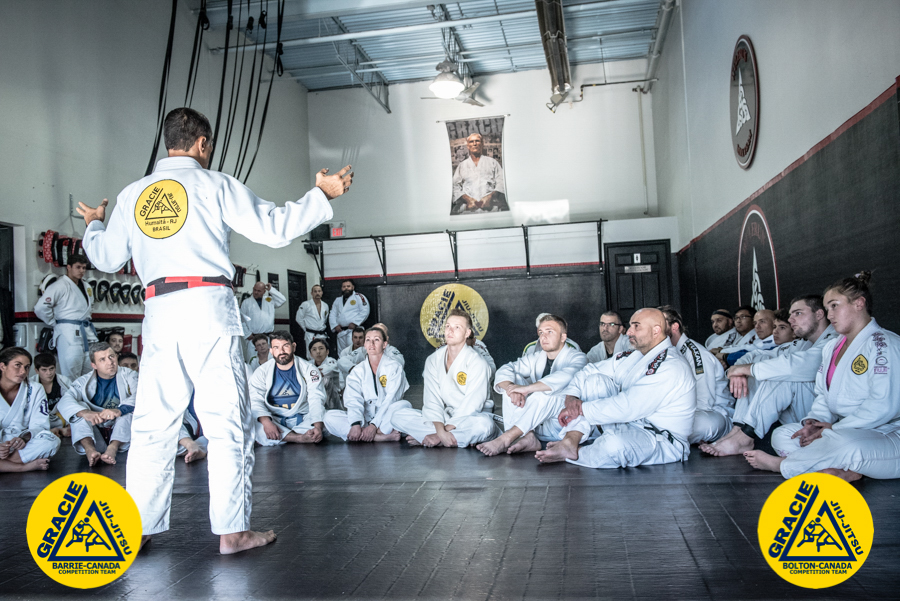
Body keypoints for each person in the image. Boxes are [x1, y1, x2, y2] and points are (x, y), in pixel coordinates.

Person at [78, 106, 352, 554]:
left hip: (159, 311)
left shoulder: (133, 195)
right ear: (202, 143)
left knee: (152, 426)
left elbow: (106, 258)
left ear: (168, 141)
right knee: (226, 422)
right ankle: (232, 531)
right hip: (207, 307)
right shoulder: (213, 184)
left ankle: (138, 527)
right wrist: (321, 195)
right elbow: (273, 228)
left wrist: (93, 222)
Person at [745, 272, 900, 482]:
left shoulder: (885, 344)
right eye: (827, 309)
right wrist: (815, 423)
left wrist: (833, 429)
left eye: (835, 306)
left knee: (845, 443)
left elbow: (883, 406)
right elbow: (823, 395)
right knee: (785, 435)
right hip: (841, 429)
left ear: (859, 303)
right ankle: (845, 471)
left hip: (887, 434)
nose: (830, 314)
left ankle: (783, 465)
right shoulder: (832, 347)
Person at [534, 308, 696, 468]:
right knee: (594, 382)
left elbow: (629, 406)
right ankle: (570, 441)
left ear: (656, 330)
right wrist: (572, 397)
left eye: (636, 326)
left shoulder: (671, 365)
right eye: (630, 326)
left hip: (661, 438)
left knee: (614, 445)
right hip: (629, 423)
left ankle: (578, 451)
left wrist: (581, 409)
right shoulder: (635, 355)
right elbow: (589, 370)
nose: (629, 332)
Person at [700, 295, 836, 457]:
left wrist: (746, 369)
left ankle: (746, 437)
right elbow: (759, 355)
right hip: (806, 412)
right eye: (791, 315)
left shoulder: (834, 340)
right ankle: (738, 430)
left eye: (798, 313)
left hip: (827, 416)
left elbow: (799, 365)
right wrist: (738, 369)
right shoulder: (802, 343)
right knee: (757, 372)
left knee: (778, 374)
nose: (791, 319)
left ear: (819, 314)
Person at [477, 315, 587, 456]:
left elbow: (566, 376)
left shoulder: (578, 357)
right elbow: (506, 368)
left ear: (563, 337)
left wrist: (526, 389)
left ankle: (507, 438)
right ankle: (526, 437)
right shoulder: (537, 357)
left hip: (562, 424)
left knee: (546, 392)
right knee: (511, 385)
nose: (543, 337)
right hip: (536, 426)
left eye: (549, 332)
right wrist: (512, 388)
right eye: (541, 332)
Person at [391, 310, 498, 447]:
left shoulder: (478, 362)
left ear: (467, 333)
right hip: (445, 417)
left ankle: (431, 439)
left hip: (471, 418)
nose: (450, 331)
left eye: (457, 327)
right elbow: (432, 401)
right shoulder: (433, 360)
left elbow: (472, 405)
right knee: (397, 416)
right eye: (448, 326)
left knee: (485, 425)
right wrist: (440, 430)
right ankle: (453, 439)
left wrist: (438, 435)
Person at [658, 306, 735, 444]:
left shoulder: (695, 354)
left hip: (714, 413)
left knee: (687, 426)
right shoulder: (666, 352)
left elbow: (703, 402)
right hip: (680, 412)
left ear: (674, 327)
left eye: (660, 325)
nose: (655, 330)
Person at [56, 342, 137, 466]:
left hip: (122, 433)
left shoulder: (130, 375)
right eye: (102, 359)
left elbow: (141, 396)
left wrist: (119, 410)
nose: (110, 362)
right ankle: (90, 450)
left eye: (111, 356)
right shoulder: (83, 382)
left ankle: (113, 448)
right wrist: (85, 412)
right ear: (94, 365)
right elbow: (64, 401)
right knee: (79, 410)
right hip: (95, 431)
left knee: (127, 412)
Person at [324, 327, 411, 442]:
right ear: (364, 344)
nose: (372, 344)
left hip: (385, 418)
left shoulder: (394, 367)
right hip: (364, 418)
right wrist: (355, 424)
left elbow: (391, 399)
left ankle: (371, 433)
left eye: (376, 340)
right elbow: (353, 399)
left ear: (384, 344)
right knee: (329, 417)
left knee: (403, 405)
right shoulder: (358, 370)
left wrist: (374, 425)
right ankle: (379, 437)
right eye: (368, 340)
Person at [249, 331, 326, 446]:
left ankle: (287, 437)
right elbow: (255, 399)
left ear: (293, 347)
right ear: (271, 351)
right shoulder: (261, 372)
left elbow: (316, 397)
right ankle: (299, 437)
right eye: (276, 347)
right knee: (251, 423)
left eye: (285, 346)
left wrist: (318, 426)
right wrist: (266, 422)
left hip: (304, 418)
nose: (281, 351)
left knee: (328, 418)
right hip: (275, 420)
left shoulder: (309, 369)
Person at [33, 254, 97, 379]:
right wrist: (54, 322)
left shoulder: (87, 286)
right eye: (78, 267)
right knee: (70, 371)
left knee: (89, 372)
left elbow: (91, 307)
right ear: (68, 267)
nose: (82, 271)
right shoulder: (59, 285)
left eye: (84, 268)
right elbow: (40, 308)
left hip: (86, 332)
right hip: (68, 333)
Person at [0, 347, 59, 472]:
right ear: (2, 366)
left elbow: (40, 425)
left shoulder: (35, 389)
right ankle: (20, 467)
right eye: (17, 365)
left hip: (20, 445)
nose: (23, 371)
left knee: (51, 440)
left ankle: (5, 465)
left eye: (27, 367)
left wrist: (24, 438)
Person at [450, 133, 508, 214]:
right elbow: (454, 186)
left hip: (491, 209)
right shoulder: (462, 165)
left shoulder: (492, 162)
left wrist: (490, 196)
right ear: (468, 146)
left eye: (477, 141)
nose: (474, 144)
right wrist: (468, 199)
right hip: (469, 209)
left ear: (482, 144)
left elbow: (502, 182)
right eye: (471, 141)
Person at [338, 323, 405, 387]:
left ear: (386, 339)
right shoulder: (363, 350)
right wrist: (355, 369)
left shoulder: (391, 351)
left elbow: (399, 363)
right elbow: (342, 361)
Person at [30, 352, 74, 437]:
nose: (49, 373)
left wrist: (70, 424)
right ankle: (57, 431)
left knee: (82, 407)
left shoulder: (64, 381)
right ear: (37, 371)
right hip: (40, 419)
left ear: (55, 368)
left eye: (51, 369)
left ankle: (60, 430)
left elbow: (73, 403)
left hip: (61, 418)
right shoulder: (31, 385)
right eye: (44, 370)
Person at [241, 282, 286, 358]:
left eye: (259, 291)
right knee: (253, 360)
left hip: (267, 337)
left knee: (269, 360)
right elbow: (242, 320)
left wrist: (271, 290)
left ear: (264, 291)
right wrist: (247, 334)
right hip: (253, 338)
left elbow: (282, 300)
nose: (256, 292)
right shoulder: (246, 302)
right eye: (254, 290)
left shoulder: (269, 300)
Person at [330, 279, 370, 355]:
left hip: (354, 331)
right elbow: (332, 314)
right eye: (344, 286)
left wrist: (355, 323)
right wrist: (335, 325)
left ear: (353, 287)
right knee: (342, 354)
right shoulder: (338, 300)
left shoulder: (359, 297)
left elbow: (365, 311)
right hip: (341, 331)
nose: (346, 288)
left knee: (355, 353)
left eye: (348, 286)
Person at [308, 339, 341, 410]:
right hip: (316, 400)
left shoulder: (332, 362)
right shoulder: (309, 364)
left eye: (321, 348)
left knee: (325, 379)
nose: (318, 352)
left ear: (327, 351)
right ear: (310, 354)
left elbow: (328, 370)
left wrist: (311, 373)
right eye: (314, 349)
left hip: (333, 399)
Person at [295, 284, 330, 352]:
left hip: (322, 334)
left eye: (319, 291)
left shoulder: (325, 305)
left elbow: (325, 319)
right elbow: (298, 318)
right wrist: (306, 329)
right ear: (312, 293)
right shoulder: (305, 304)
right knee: (311, 354)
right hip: (310, 334)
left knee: (322, 353)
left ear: (322, 293)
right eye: (315, 291)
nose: (317, 293)